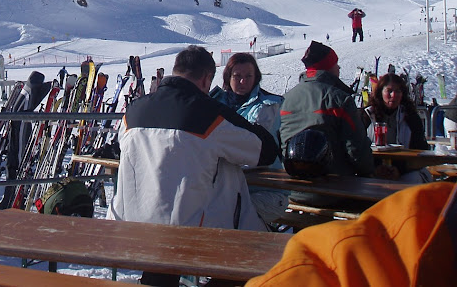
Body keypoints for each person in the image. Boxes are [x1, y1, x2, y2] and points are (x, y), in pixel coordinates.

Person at [109, 45, 278, 287]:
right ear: (206, 78)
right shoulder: (208, 113)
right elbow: (264, 150)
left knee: (161, 266)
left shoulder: (134, 112)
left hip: (135, 224)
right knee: (246, 262)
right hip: (194, 232)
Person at [244, 181, 457, 287]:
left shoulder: (422, 223)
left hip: (295, 193)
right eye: (389, 91)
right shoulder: (426, 228)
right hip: (313, 194)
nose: (393, 96)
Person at [280, 41, 373, 205]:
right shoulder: (340, 99)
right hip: (333, 190)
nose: (338, 69)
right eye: (336, 64)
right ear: (328, 68)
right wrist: (372, 171)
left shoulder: (285, 100)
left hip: (293, 190)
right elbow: (356, 150)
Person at [210, 53, 287, 225]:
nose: (243, 82)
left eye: (248, 76)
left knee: (225, 216)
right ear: (228, 77)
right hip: (223, 189)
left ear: (256, 78)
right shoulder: (212, 103)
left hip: (262, 189)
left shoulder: (269, 106)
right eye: (237, 76)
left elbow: (248, 148)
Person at [363, 73, 431, 183]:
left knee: (413, 180)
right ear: (381, 92)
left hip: (405, 171)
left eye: (398, 91)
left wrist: (400, 170)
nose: (393, 95)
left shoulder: (411, 118)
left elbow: (420, 151)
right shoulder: (367, 116)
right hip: (373, 170)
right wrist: (374, 169)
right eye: (389, 91)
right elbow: (358, 149)